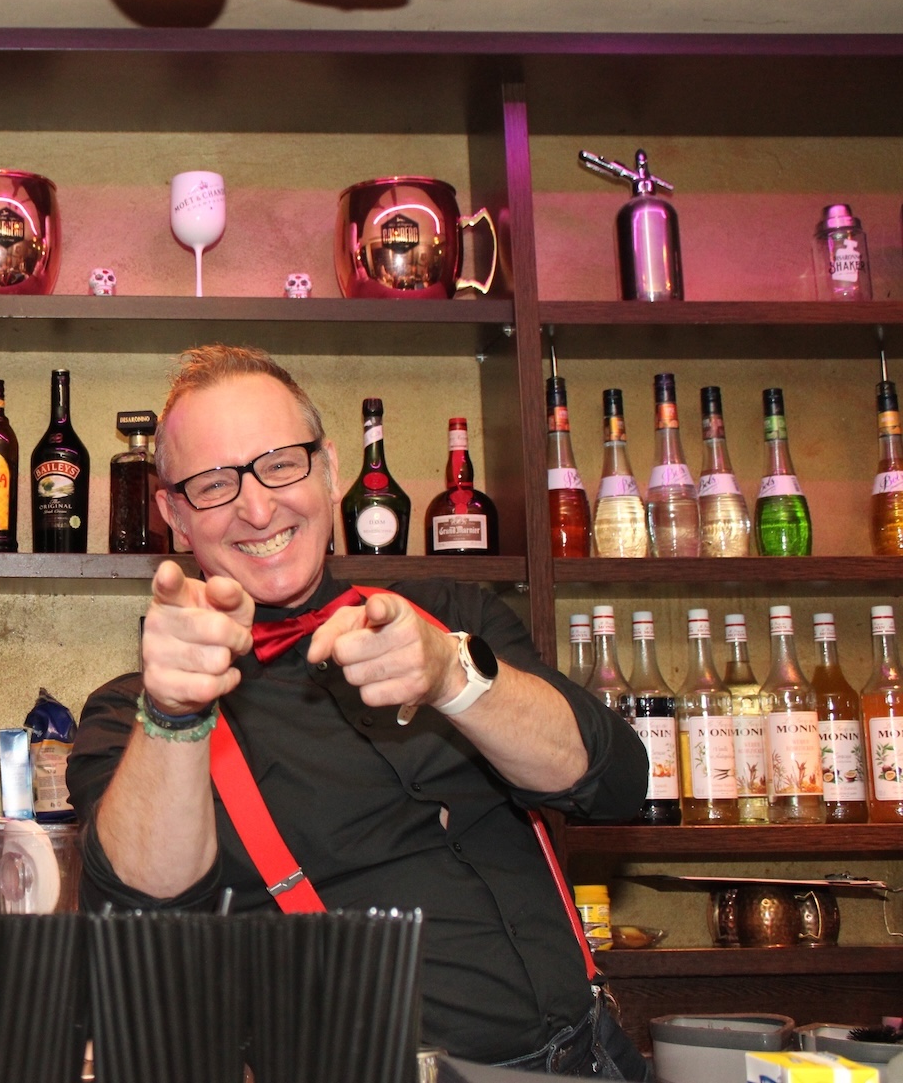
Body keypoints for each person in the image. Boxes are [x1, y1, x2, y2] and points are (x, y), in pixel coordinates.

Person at [67, 344, 650, 1078]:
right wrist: (174, 715)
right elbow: (134, 913)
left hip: (599, 1055)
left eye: (281, 464)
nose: (257, 507)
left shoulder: (454, 615)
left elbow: (616, 782)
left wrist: (454, 678)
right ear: (174, 516)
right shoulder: (131, 716)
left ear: (330, 469)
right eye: (214, 484)